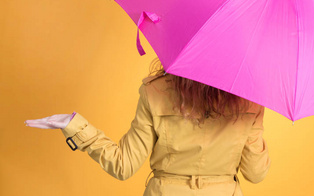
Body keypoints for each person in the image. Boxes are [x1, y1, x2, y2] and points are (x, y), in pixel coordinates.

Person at [25, 59, 271, 195]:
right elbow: (256, 174)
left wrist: (75, 126)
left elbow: (123, 166)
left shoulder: (155, 91)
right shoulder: (249, 100)